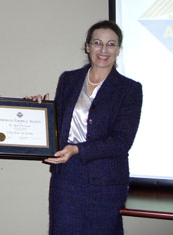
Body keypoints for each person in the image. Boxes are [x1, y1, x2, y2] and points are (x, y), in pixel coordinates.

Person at [29, 20, 143, 234]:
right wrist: (37, 108)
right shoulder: (69, 79)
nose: (103, 50)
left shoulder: (130, 90)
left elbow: (121, 142)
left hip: (106, 184)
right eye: (98, 42)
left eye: (111, 44)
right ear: (88, 46)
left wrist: (78, 149)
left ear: (118, 50)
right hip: (67, 180)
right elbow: (58, 121)